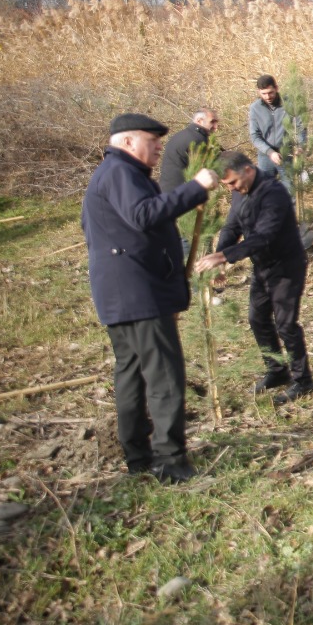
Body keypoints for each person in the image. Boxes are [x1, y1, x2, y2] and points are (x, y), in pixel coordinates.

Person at [82, 113, 218, 483]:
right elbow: (144, 216)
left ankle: (138, 455)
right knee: (164, 377)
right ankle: (170, 462)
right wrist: (196, 188)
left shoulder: (114, 175)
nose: (160, 146)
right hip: (139, 295)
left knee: (131, 373)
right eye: (152, 140)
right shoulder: (120, 174)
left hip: (121, 295)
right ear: (127, 142)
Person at [194, 151, 313, 404]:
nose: (232, 189)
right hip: (262, 266)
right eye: (227, 185)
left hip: (286, 267)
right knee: (257, 318)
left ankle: (303, 381)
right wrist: (220, 257)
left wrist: (225, 257)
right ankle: (277, 370)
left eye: (233, 183)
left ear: (248, 170)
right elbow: (232, 226)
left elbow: (264, 236)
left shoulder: (274, 193)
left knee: (286, 325)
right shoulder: (239, 193)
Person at [158, 108, 219, 194]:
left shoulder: (182, 135)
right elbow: (211, 165)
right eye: (212, 122)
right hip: (180, 194)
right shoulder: (198, 140)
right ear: (199, 121)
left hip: (167, 191)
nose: (216, 127)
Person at [248, 75, 294, 186]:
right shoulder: (255, 108)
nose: (268, 97)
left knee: (290, 192)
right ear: (259, 92)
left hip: (287, 154)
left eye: (270, 92)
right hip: (265, 157)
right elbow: (255, 136)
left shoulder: (289, 104)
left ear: (276, 88)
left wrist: (301, 146)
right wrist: (270, 152)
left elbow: (300, 128)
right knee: (265, 191)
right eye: (264, 94)